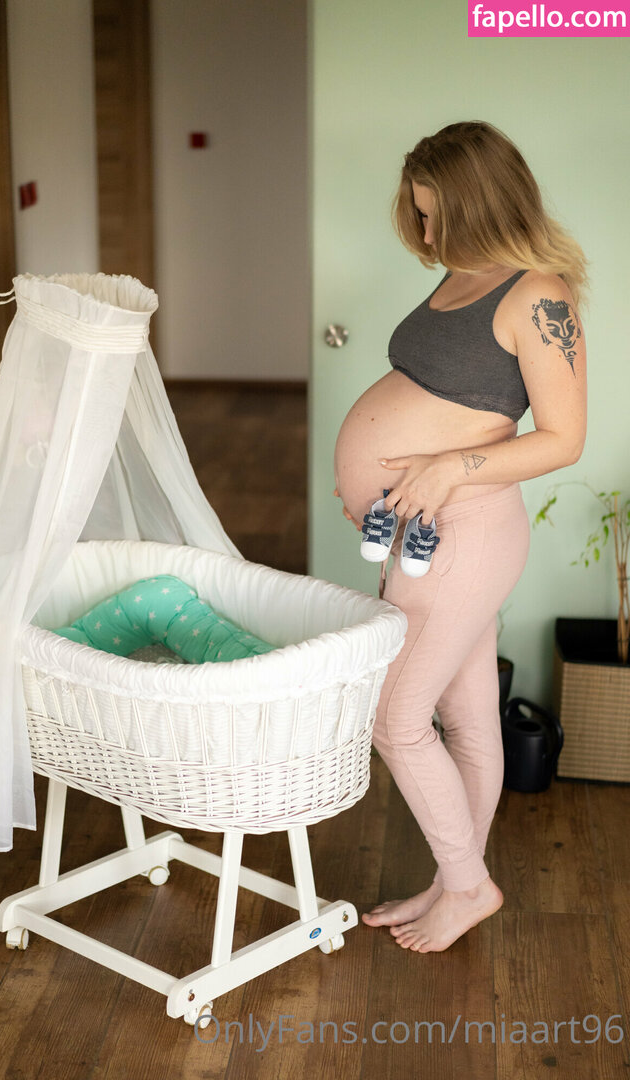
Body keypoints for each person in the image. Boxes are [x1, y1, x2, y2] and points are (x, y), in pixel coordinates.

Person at [332, 121, 587, 953]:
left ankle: (470, 887)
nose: (427, 229)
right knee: (467, 718)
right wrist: (376, 483)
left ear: (482, 201)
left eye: (437, 212)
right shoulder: (459, 277)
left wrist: (444, 471)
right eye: (420, 211)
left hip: (465, 532)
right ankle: (453, 887)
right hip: (426, 530)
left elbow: (564, 438)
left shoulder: (537, 294)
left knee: (395, 717)